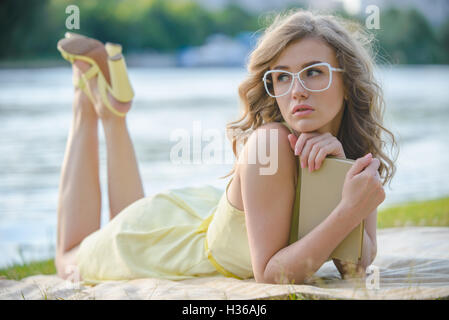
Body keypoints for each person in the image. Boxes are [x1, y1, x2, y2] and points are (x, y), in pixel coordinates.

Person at [55, 9, 396, 285]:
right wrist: (348, 211)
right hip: (174, 245)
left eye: (313, 72)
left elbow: (355, 268)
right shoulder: (271, 144)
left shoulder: (351, 150)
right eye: (281, 76)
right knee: (67, 257)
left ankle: (114, 113)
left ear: (347, 83)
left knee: (120, 221)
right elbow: (270, 274)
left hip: (189, 218)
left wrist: (338, 182)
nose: (297, 90)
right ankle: (83, 100)